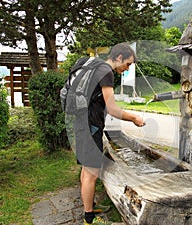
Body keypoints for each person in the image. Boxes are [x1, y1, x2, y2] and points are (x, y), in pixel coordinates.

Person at [74, 43, 145, 225]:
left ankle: (88, 206)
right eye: (128, 64)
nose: (127, 69)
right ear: (119, 58)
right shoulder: (106, 72)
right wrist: (134, 118)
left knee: (86, 168)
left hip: (82, 124)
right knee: (92, 172)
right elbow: (112, 108)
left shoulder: (96, 67)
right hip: (91, 127)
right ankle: (89, 219)